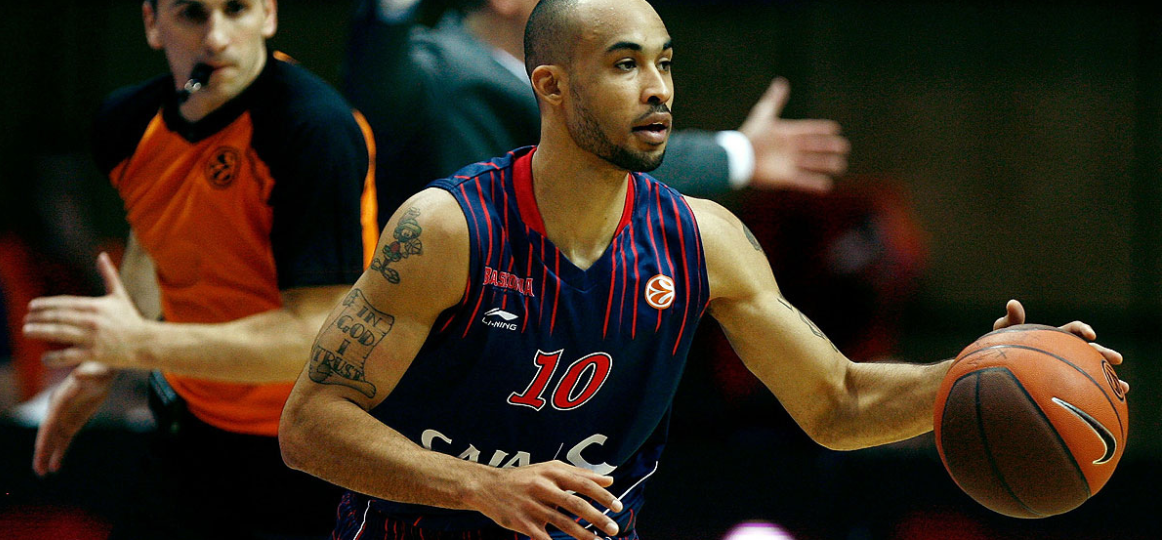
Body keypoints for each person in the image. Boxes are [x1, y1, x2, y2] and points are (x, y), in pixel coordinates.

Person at [279, 1, 1129, 539]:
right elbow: (310, 425)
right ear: (551, 86)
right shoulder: (446, 229)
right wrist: (482, 489)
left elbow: (836, 402)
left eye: (665, 61)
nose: (658, 88)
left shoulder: (702, 240)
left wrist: (981, 371)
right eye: (625, 65)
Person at [22, 0, 377, 538]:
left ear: (268, 15)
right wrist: (104, 362)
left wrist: (135, 345)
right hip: (189, 423)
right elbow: (155, 241)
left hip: (310, 442)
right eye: (192, 14)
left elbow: (316, 338)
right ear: (151, 23)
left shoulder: (313, 127)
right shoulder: (126, 123)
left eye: (236, 10)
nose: (215, 38)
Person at [344, 0, 851, 222]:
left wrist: (740, 153)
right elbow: (378, 92)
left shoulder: (578, 83)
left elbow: (608, 157)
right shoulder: (437, 70)